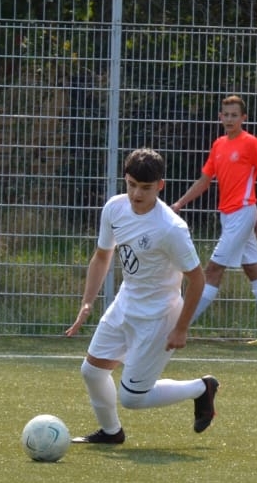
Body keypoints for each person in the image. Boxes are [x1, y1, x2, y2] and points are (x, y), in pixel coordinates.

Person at [64, 147, 218, 444]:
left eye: (145, 188)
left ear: (160, 186)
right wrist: (87, 302)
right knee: (92, 372)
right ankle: (111, 433)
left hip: (159, 316)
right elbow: (102, 256)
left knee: (132, 398)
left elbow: (198, 279)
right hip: (125, 305)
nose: (136, 194)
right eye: (132, 184)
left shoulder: (171, 228)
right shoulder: (115, 208)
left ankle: (202, 388)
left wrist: (181, 328)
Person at [170, 95, 257, 345]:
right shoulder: (218, 145)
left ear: (244, 118)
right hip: (228, 215)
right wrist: (179, 203)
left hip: (244, 212)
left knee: (212, 270)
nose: (230, 119)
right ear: (220, 117)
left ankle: (179, 327)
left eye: (235, 115)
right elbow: (204, 180)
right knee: (253, 268)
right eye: (226, 114)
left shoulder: (250, 143)